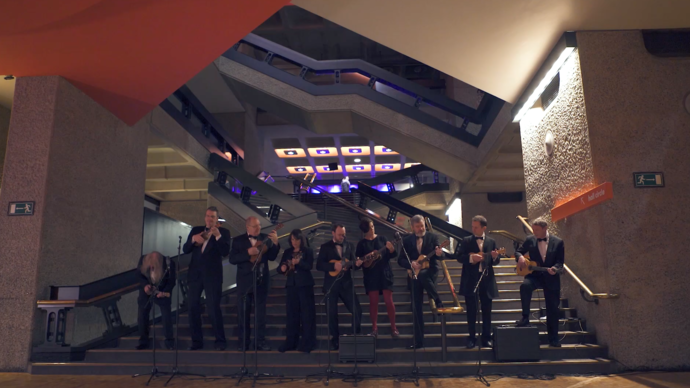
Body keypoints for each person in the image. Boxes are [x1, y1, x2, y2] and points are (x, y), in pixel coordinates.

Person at [183, 207, 231, 351]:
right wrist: (193, 239)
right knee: (192, 307)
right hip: (195, 276)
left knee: (213, 308)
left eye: (212, 217)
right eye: (207, 216)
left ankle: (220, 341)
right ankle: (197, 341)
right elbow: (186, 249)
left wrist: (217, 237)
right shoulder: (196, 230)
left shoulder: (224, 232)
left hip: (212, 276)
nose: (209, 219)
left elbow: (225, 251)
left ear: (217, 219)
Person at [229, 216, 280, 351]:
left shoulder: (265, 238)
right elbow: (232, 259)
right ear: (248, 227)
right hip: (244, 282)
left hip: (261, 280)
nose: (258, 228)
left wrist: (275, 244)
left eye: (259, 225)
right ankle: (243, 343)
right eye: (255, 226)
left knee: (260, 314)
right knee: (243, 313)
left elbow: (272, 256)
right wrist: (247, 253)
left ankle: (260, 342)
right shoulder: (238, 240)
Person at [515, 218, 565, 348]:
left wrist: (555, 269)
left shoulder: (558, 242)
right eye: (533, 229)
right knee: (525, 286)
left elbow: (560, 262)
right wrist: (520, 257)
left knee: (552, 308)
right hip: (535, 275)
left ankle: (553, 338)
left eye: (537, 230)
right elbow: (518, 251)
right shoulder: (530, 239)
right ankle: (525, 317)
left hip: (551, 277)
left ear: (545, 228)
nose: (534, 232)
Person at [454, 215, 500, 349]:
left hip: (486, 279)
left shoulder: (491, 241)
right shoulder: (466, 240)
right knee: (471, 311)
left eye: (476, 227)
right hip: (470, 280)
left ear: (483, 228)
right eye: (472, 226)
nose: (473, 229)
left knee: (487, 310)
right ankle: (471, 337)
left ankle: (486, 338)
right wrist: (470, 258)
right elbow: (459, 257)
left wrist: (495, 258)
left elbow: (495, 262)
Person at [398, 215, 444, 349]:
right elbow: (400, 260)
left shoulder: (433, 237)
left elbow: (440, 256)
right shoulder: (406, 240)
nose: (421, 228)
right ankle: (419, 341)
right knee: (416, 308)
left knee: (423, 274)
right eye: (418, 226)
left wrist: (440, 253)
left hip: (430, 273)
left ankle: (437, 299)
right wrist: (411, 264)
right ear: (412, 227)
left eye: (422, 225)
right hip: (414, 274)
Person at [316, 223, 363, 351]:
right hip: (331, 285)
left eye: (344, 234)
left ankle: (354, 337)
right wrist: (333, 266)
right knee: (331, 313)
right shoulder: (325, 247)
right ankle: (335, 339)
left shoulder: (349, 245)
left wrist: (358, 264)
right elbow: (319, 265)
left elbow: (354, 264)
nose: (343, 237)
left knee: (357, 310)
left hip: (346, 284)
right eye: (340, 234)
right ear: (333, 233)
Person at [355, 217, 399, 338]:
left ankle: (394, 328)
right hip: (371, 276)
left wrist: (391, 249)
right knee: (373, 302)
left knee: (388, 301)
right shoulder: (361, 244)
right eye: (371, 227)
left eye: (373, 225)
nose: (373, 228)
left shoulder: (382, 239)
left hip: (385, 273)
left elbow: (393, 255)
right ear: (366, 230)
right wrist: (360, 261)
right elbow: (359, 261)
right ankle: (374, 328)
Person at [276, 229, 316, 353]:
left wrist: (300, 262)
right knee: (292, 315)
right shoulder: (288, 252)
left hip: (305, 286)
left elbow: (309, 266)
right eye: (292, 240)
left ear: (301, 240)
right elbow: (280, 267)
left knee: (306, 315)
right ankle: (290, 342)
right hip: (292, 286)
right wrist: (282, 267)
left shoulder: (308, 251)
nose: (294, 242)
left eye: (296, 239)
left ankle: (307, 343)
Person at [136, 251, 176, 350]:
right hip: (147, 291)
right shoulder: (143, 260)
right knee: (142, 314)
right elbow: (139, 275)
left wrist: (164, 292)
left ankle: (169, 341)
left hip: (162, 290)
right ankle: (143, 340)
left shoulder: (169, 263)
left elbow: (172, 281)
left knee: (166, 315)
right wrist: (145, 285)